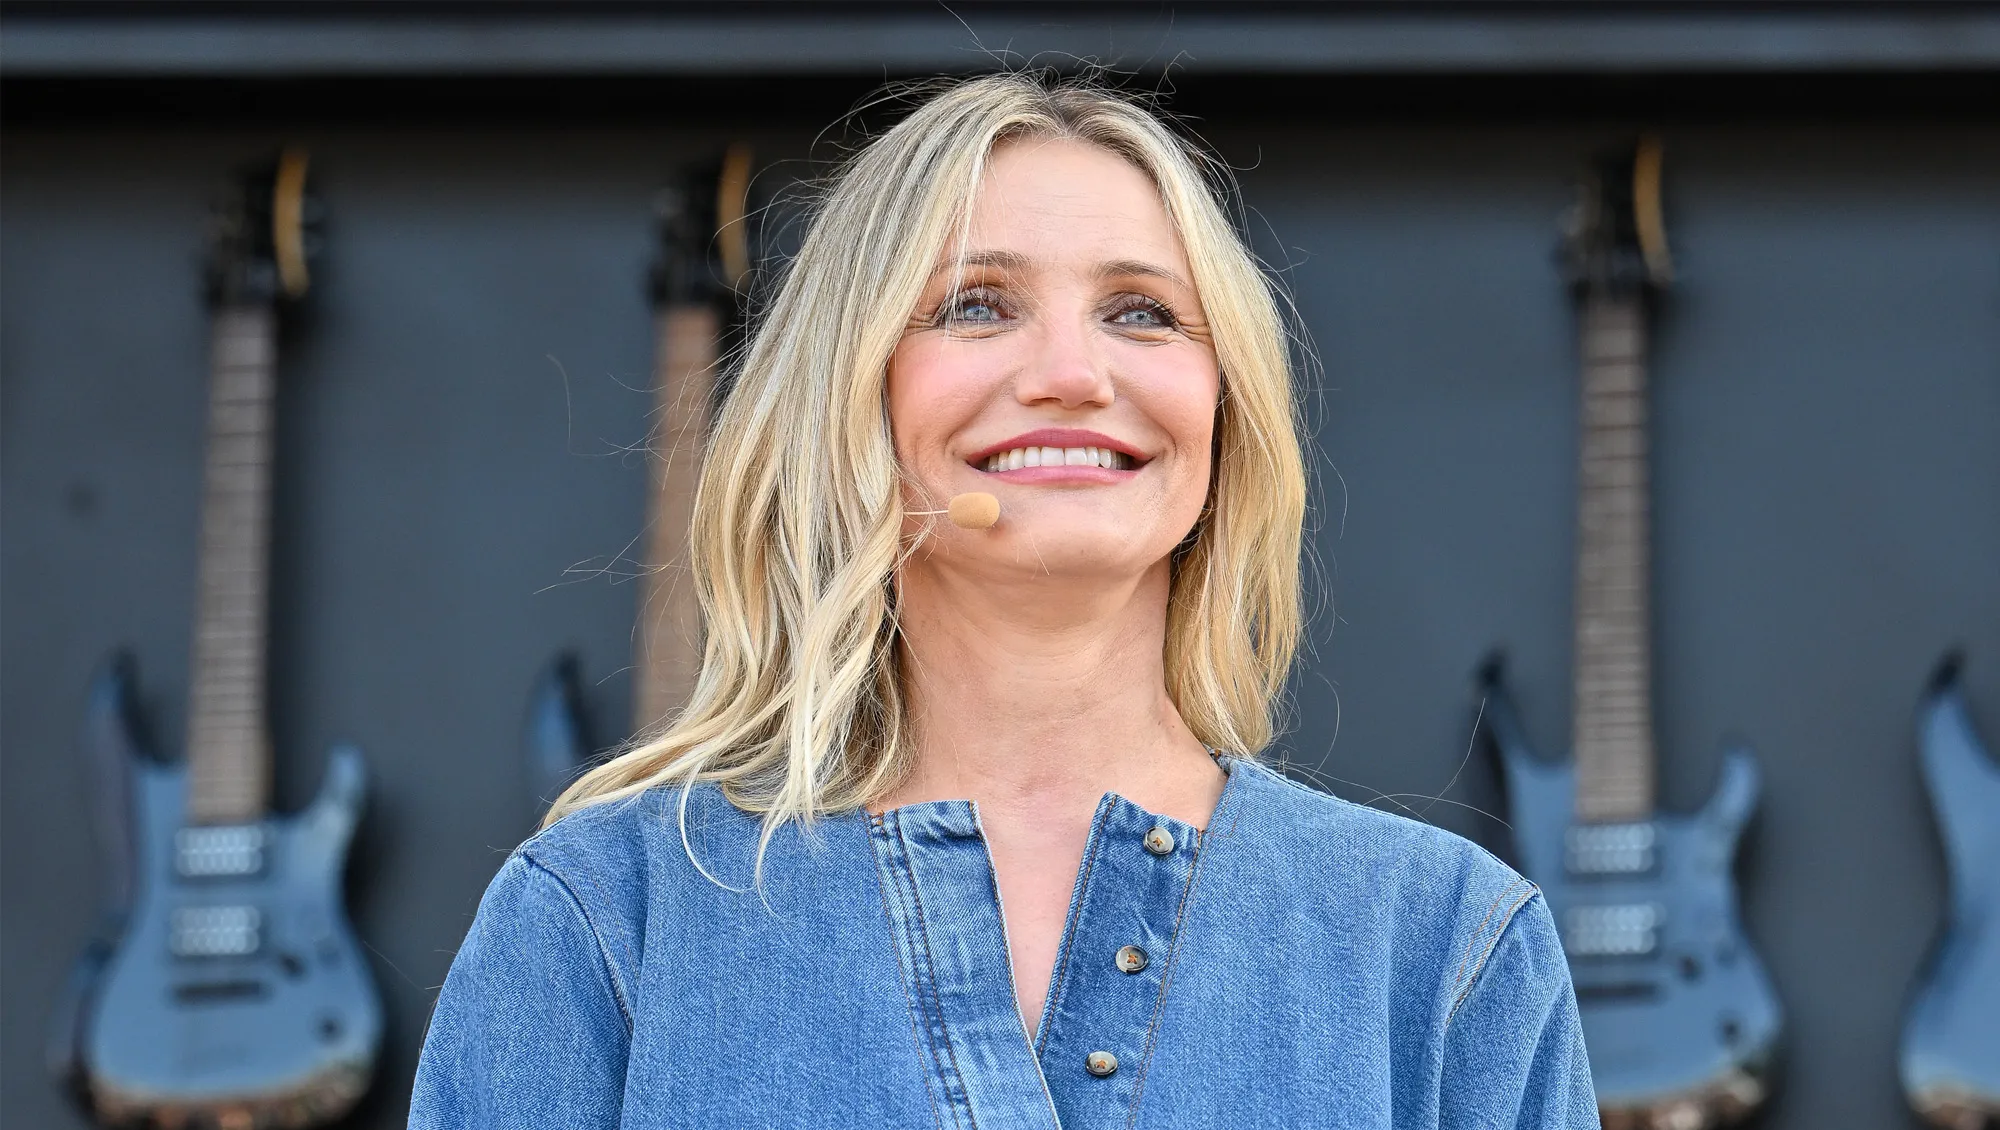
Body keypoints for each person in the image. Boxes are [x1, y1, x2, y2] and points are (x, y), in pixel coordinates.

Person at [410, 72, 1597, 1129]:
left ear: (1223, 406)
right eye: (976, 304)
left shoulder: (1445, 948)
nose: (1072, 374)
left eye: (1141, 311)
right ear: (850, 396)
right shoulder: (606, 922)